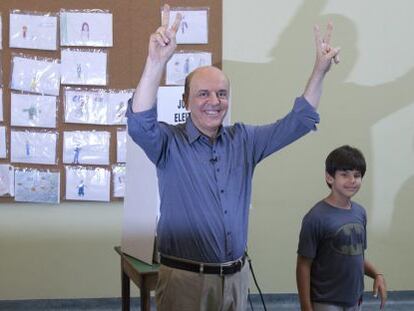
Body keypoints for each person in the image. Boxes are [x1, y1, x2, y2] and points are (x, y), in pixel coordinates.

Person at [126, 4, 340, 310]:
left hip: (236, 281)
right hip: (185, 282)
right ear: (186, 101)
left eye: (222, 94)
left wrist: (319, 71)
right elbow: (140, 121)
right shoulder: (168, 143)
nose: (214, 101)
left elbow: (299, 121)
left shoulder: (245, 141)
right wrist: (155, 62)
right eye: (203, 94)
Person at [296, 145, 387, 311]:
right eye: (344, 175)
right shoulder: (315, 217)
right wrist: (306, 307)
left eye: (357, 175)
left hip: (354, 300)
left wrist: (377, 274)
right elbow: (303, 265)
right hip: (326, 302)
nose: (352, 180)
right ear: (330, 178)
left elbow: (356, 254)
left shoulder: (360, 212)